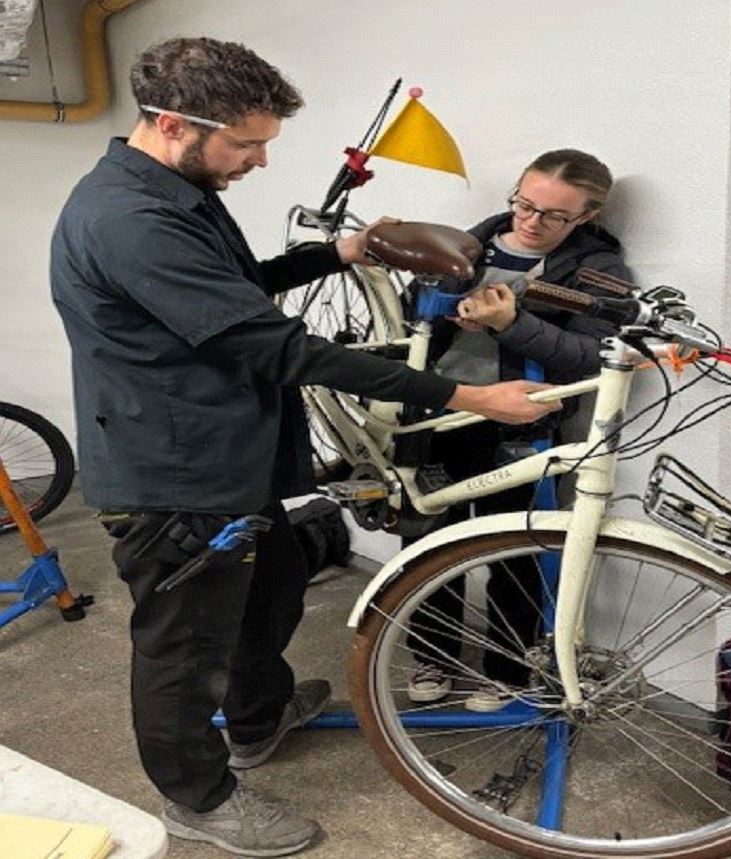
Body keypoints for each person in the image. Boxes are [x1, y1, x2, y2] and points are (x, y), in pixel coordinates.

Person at [49, 37, 558, 858]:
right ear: (176, 123)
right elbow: (276, 346)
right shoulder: (129, 217)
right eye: (245, 145)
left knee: (275, 579)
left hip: (228, 451)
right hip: (175, 472)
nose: (255, 162)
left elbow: (234, 285)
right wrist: (466, 394)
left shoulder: (174, 186)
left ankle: (257, 716)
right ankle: (198, 797)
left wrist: (338, 251)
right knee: (183, 645)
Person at [405, 148, 632, 712]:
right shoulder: (467, 244)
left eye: (553, 216)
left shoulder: (598, 272)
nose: (530, 221)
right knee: (427, 544)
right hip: (438, 413)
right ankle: (432, 654)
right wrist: (435, 305)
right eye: (524, 204)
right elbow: (413, 318)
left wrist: (512, 324)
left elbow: (589, 356)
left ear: (586, 217)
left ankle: (504, 665)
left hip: (519, 428)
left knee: (516, 549)